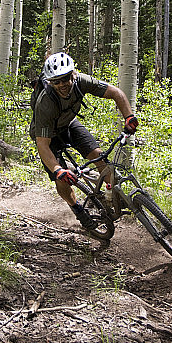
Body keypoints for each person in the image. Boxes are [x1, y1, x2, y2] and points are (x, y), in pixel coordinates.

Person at [29, 52, 139, 229]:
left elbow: (116, 93)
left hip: (69, 123)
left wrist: (129, 117)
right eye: (56, 81)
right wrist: (58, 170)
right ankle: (77, 209)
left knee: (99, 157)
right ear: (50, 82)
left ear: (72, 74)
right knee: (62, 177)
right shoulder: (46, 103)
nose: (62, 84)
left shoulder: (82, 81)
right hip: (48, 134)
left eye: (65, 79)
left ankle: (112, 196)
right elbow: (42, 144)